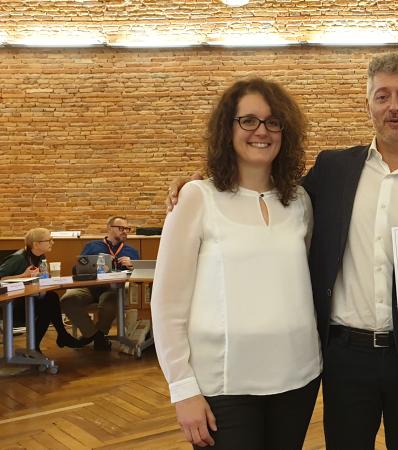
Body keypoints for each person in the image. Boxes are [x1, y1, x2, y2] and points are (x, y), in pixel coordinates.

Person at [166, 53, 398, 449]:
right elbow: (263, 186)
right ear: (368, 106)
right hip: (344, 359)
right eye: (382, 96)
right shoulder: (332, 170)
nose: (393, 106)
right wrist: (201, 179)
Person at [152, 78, 321, 449]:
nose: (261, 131)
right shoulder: (198, 198)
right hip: (224, 386)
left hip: (298, 378)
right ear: (227, 129)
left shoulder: (300, 202)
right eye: (248, 121)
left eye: (273, 122)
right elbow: (166, 304)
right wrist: (182, 389)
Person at [60, 216, 139, 351]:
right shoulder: (92, 246)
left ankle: (99, 334)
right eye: (121, 228)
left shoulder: (131, 251)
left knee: (109, 302)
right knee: (67, 300)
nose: (125, 231)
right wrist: (94, 265)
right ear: (109, 228)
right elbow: (76, 269)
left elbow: (139, 276)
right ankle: (95, 336)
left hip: (114, 290)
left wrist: (132, 266)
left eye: (127, 228)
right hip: (89, 288)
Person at [0, 228, 84, 352]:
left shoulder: (40, 257)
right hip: (11, 305)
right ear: (36, 244)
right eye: (49, 240)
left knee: (51, 298)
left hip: (28, 299)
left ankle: (42, 343)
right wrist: (22, 276)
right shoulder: (18, 258)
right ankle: (57, 337)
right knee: (50, 302)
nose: (52, 243)